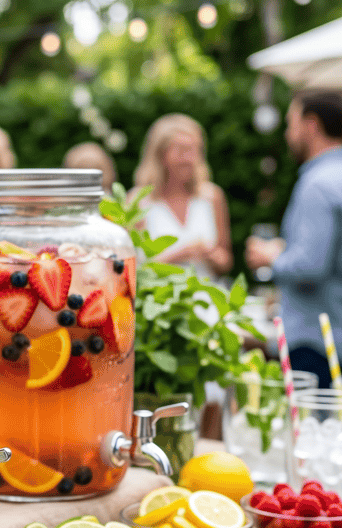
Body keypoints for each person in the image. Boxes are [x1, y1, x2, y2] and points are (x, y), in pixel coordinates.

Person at [246, 90, 342, 388]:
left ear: (311, 126)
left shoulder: (317, 184)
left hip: (316, 342)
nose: (288, 134)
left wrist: (270, 257)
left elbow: (310, 267)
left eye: (291, 124)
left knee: (314, 428)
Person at [133, 114, 233, 278]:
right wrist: (180, 254)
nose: (190, 159)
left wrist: (210, 255)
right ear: (160, 155)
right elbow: (134, 269)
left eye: (195, 150)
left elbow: (226, 263)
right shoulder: (138, 202)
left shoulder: (212, 196)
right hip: (159, 301)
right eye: (181, 151)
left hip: (208, 299)